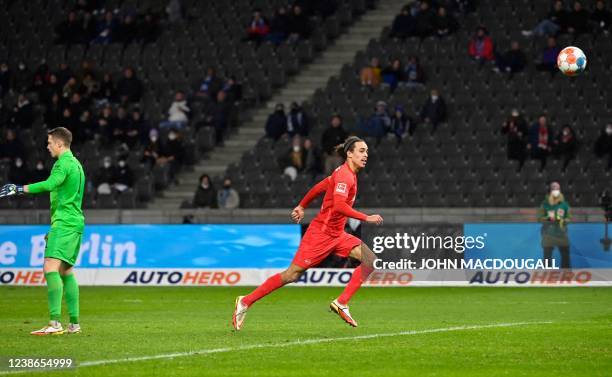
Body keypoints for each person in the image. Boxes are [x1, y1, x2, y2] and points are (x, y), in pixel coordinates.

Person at [232, 136, 383, 330]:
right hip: (321, 234)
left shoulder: (346, 174)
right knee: (291, 275)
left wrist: (302, 205)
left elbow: (320, 186)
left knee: (370, 261)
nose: (365, 155)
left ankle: (342, 303)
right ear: (349, 153)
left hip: (337, 234)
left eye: (367, 152)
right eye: (361, 151)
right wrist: (366, 217)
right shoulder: (345, 175)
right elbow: (338, 205)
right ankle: (245, 301)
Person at [0, 127, 85, 335]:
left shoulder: (62, 163)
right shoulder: (77, 164)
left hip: (64, 223)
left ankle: (55, 323)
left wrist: (19, 189)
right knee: (66, 271)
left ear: (59, 144)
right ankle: (74, 324)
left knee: (49, 267)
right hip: (74, 222)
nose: (47, 147)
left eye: (49, 143)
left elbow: (50, 184)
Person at [538, 181, 571, 268]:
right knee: (547, 258)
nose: (555, 190)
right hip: (548, 234)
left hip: (562, 233)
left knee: (565, 256)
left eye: (557, 188)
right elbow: (539, 218)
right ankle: (546, 275)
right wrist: (549, 219)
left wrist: (565, 220)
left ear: (560, 190)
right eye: (553, 188)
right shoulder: (544, 204)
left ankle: (566, 275)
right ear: (550, 190)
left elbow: (569, 217)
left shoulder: (565, 204)